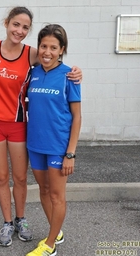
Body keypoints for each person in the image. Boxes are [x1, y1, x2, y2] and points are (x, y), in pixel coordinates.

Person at [0, 6, 82, 247]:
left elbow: (56, 61)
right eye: (16, 24)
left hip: (19, 126)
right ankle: (7, 223)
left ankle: (23, 220)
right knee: (2, 177)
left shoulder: (32, 55)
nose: (19, 30)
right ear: (7, 23)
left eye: (25, 27)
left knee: (21, 178)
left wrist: (77, 70)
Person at [26, 24, 81, 256]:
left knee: (57, 195)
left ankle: (49, 245)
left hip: (58, 147)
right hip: (35, 144)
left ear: (62, 50)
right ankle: (55, 232)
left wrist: (70, 153)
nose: (47, 51)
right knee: (43, 189)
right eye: (43, 46)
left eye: (53, 47)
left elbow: (77, 116)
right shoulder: (33, 72)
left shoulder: (69, 75)